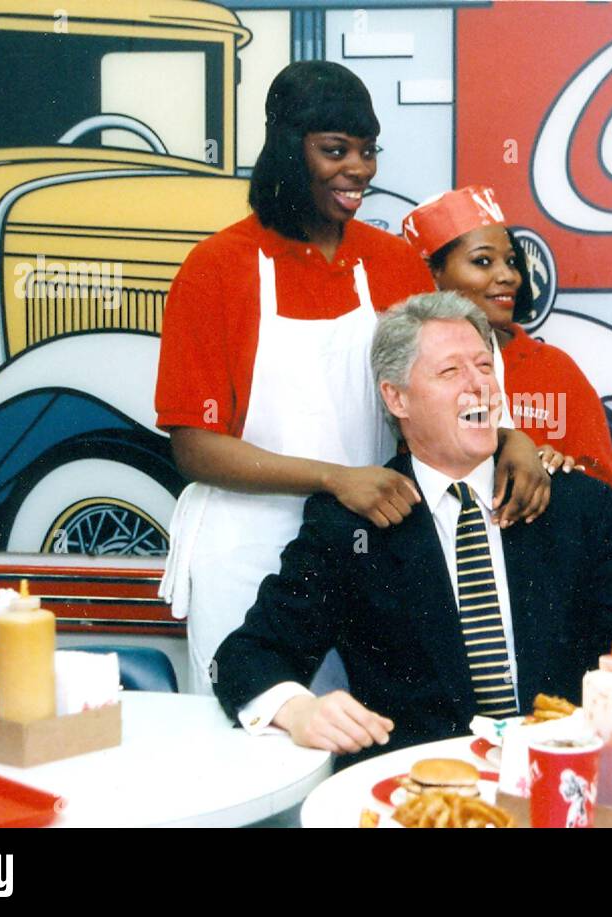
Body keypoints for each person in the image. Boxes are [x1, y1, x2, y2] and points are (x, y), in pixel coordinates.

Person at [155, 64, 552, 694]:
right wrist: (335, 479)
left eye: (367, 151)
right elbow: (193, 447)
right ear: (288, 149)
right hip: (248, 552)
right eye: (334, 150)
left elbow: (451, 382)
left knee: (365, 731)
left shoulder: (392, 263)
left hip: (372, 540)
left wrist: (512, 439)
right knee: (261, 725)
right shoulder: (216, 269)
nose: (359, 169)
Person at [212, 292, 612, 762]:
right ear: (397, 397)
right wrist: (300, 711)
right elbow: (242, 659)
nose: (479, 386)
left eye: (485, 368)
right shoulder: (349, 527)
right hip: (414, 791)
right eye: (451, 372)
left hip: (559, 776)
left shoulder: (576, 505)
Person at [402, 185, 612, 498]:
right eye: (482, 262)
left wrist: (557, 476)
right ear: (432, 273)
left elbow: (605, 487)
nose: (509, 276)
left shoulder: (554, 368)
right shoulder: (409, 367)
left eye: (510, 261)